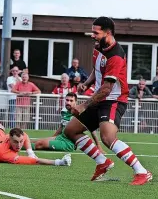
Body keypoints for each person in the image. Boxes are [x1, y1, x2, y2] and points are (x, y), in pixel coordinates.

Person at [63, 16, 151, 185]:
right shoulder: (98, 47)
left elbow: (106, 89)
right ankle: (102, 162)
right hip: (99, 98)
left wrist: (83, 104)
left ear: (108, 33)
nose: (92, 35)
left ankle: (142, 172)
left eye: (96, 32)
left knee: (107, 137)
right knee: (71, 130)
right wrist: (86, 83)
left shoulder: (116, 56)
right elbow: (97, 70)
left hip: (113, 100)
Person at [0, 105, 72, 166]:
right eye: (16, 142)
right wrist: (58, 162)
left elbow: (25, 136)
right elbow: (35, 161)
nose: (19, 145)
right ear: (9, 139)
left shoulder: (9, 137)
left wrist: (29, 151)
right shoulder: (6, 154)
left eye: (20, 141)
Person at [32, 93, 104, 153]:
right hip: (60, 138)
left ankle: (25, 148)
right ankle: (23, 144)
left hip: (69, 143)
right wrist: (53, 137)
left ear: (75, 102)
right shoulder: (64, 111)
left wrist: (98, 146)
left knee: (39, 144)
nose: (68, 102)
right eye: (67, 100)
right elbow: (61, 126)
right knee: (35, 141)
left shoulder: (81, 114)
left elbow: (92, 129)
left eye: (71, 100)